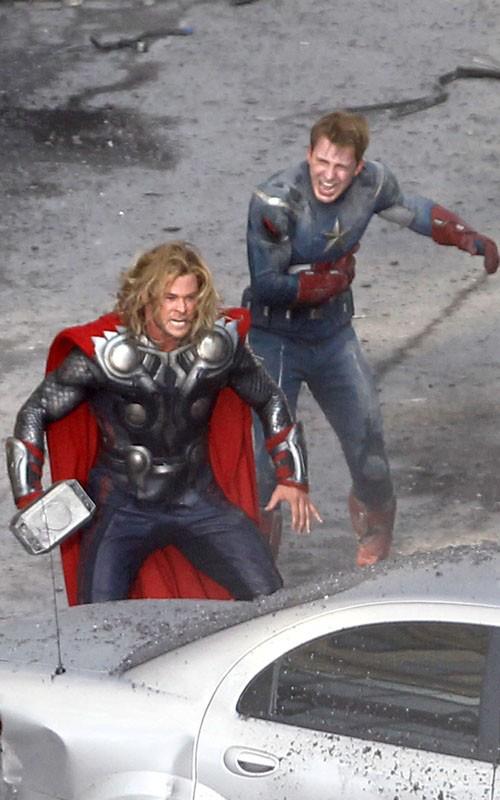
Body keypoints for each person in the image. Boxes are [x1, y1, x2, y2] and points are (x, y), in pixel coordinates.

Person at [243, 109, 498, 568]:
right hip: (274, 337)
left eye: (341, 166)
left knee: (369, 448)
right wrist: (331, 280)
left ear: (358, 166)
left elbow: (412, 210)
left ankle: (376, 526)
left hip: (332, 335)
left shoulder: (372, 184)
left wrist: (465, 235)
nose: (329, 175)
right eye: (322, 162)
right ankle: (254, 560)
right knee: (266, 462)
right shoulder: (276, 201)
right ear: (309, 154)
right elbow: (266, 285)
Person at [6, 240, 320, 605]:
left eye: (190, 297)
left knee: (271, 600)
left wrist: (292, 477)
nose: (182, 309)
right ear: (146, 297)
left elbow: (269, 398)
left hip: (197, 499)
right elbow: (36, 411)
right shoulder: (105, 353)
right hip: (122, 506)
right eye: (170, 298)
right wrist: (29, 495)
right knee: (96, 623)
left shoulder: (218, 347)